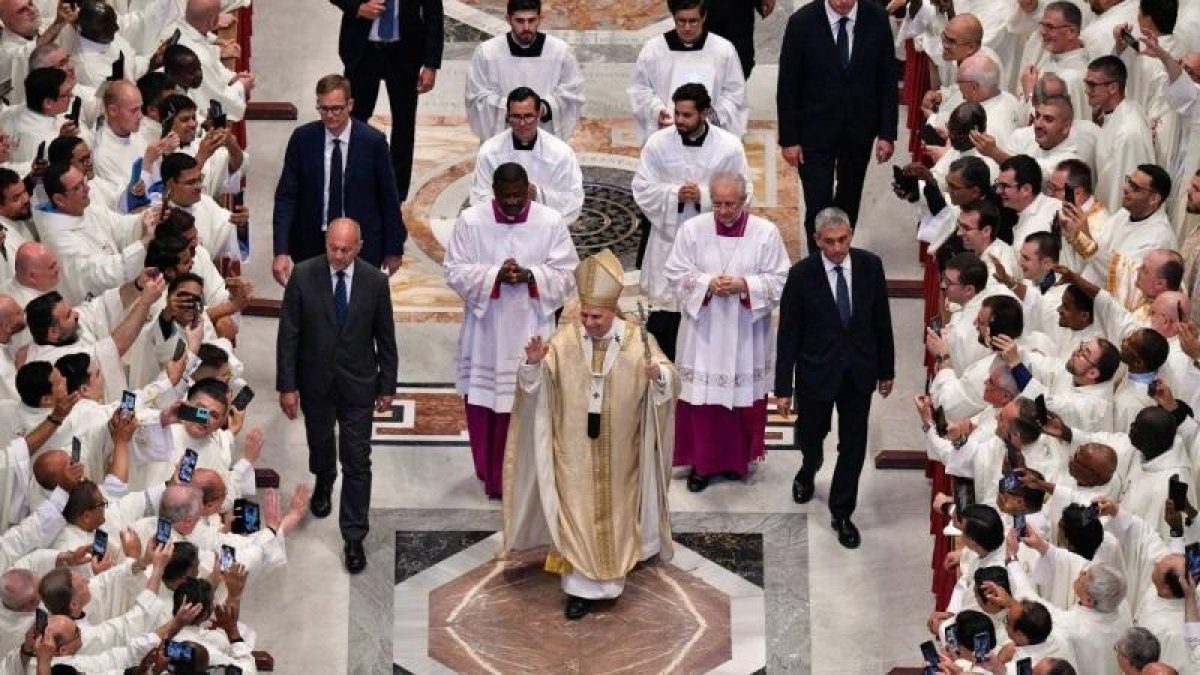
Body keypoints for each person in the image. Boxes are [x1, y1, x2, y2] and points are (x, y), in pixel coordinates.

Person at [502, 249, 679, 621]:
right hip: (574, 452)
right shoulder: (566, 339)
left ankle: (612, 582)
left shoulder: (635, 340)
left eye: (596, 316)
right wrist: (533, 363)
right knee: (578, 512)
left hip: (621, 453)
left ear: (613, 311)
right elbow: (536, 384)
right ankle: (579, 589)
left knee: (615, 513)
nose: (589, 322)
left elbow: (668, 377)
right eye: (584, 315)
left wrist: (658, 376)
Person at [444, 162, 577, 498]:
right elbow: (455, 271)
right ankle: (493, 475)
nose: (514, 202)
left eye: (519, 195)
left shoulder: (550, 221)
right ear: (494, 192)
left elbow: (567, 273)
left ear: (528, 188)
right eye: (506, 197)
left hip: (532, 327)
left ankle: (531, 479)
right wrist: (494, 276)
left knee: (533, 403)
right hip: (487, 330)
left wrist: (532, 276)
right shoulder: (471, 221)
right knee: (487, 404)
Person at [276, 218, 398, 574]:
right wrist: (287, 385)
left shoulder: (375, 283)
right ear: (326, 242)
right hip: (315, 383)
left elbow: (385, 337)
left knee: (358, 461)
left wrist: (387, 386)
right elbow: (289, 335)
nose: (339, 255)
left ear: (359, 247)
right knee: (320, 440)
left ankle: (354, 537)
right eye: (333, 248)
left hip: (360, 383)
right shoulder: (304, 274)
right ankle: (324, 478)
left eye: (346, 249)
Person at [775, 206, 895, 548]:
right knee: (812, 433)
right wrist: (783, 387)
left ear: (851, 234)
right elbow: (788, 334)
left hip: (859, 371)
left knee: (854, 444)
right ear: (817, 240)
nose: (838, 248)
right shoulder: (801, 275)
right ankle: (809, 467)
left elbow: (881, 321)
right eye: (829, 242)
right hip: (816, 372)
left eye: (843, 240)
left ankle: (842, 511)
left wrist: (886, 369)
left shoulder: (871, 266)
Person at [663, 172, 787, 491]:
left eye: (730, 205)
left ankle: (736, 462)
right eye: (716, 204)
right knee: (702, 403)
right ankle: (701, 466)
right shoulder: (692, 229)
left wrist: (744, 285)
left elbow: (780, 279)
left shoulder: (765, 233)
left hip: (745, 332)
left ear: (744, 201)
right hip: (703, 331)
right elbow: (675, 272)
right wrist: (707, 283)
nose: (723, 211)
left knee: (741, 400)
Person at [632, 83, 749, 360]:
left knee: (705, 314)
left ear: (705, 112)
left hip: (710, 244)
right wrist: (675, 195)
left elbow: (746, 191)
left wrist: (705, 197)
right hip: (667, 241)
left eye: (687, 115)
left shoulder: (728, 146)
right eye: (678, 114)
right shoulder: (658, 143)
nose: (680, 121)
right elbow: (641, 187)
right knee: (666, 316)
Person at [776, 0, 898, 252]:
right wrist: (789, 138)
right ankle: (817, 263)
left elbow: (887, 79)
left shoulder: (876, 18)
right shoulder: (802, 22)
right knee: (818, 200)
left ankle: (840, 252)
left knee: (850, 196)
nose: (842, 2)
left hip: (859, 129)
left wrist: (887, 132)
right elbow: (788, 84)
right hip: (814, 131)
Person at [271, 74, 406, 287]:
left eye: (337, 109)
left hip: (360, 247)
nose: (330, 115)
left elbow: (388, 198)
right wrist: (281, 251)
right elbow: (286, 197)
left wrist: (394, 249)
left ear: (350, 105)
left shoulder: (373, 142)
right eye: (324, 109)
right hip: (312, 244)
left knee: (356, 314)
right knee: (313, 313)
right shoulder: (302, 139)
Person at [331, 0, 444, 201]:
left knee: (404, 123)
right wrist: (357, 7)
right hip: (363, 51)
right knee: (355, 119)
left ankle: (396, 194)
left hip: (404, 52)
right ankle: (352, 182)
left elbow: (433, 14)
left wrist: (431, 64)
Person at [627, 0, 747, 145]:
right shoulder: (654, 49)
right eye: (681, 21)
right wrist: (657, 111)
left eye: (693, 21)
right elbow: (639, 89)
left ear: (704, 17)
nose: (687, 27)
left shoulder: (723, 50)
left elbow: (735, 93)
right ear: (673, 17)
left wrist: (713, 115)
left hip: (711, 139)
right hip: (666, 137)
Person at [464, 0, 585, 142]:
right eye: (519, 21)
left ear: (541, 18)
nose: (526, 27)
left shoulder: (560, 51)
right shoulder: (487, 52)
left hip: (546, 142)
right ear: (508, 19)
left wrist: (544, 107)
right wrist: (514, 110)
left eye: (532, 20)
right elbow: (476, 97)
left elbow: (573, 93)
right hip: (502, 143)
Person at [469, 87, 584, 225]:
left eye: (528, 116)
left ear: (539, 115)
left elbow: (573, 199)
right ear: (507, 116)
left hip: (544, 229)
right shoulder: (489, 151)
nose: (522, 123)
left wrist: (538, 194)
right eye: (516, 117)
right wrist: (508, 199)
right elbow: (479, 198)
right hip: (500, 230)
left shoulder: (561, 153)